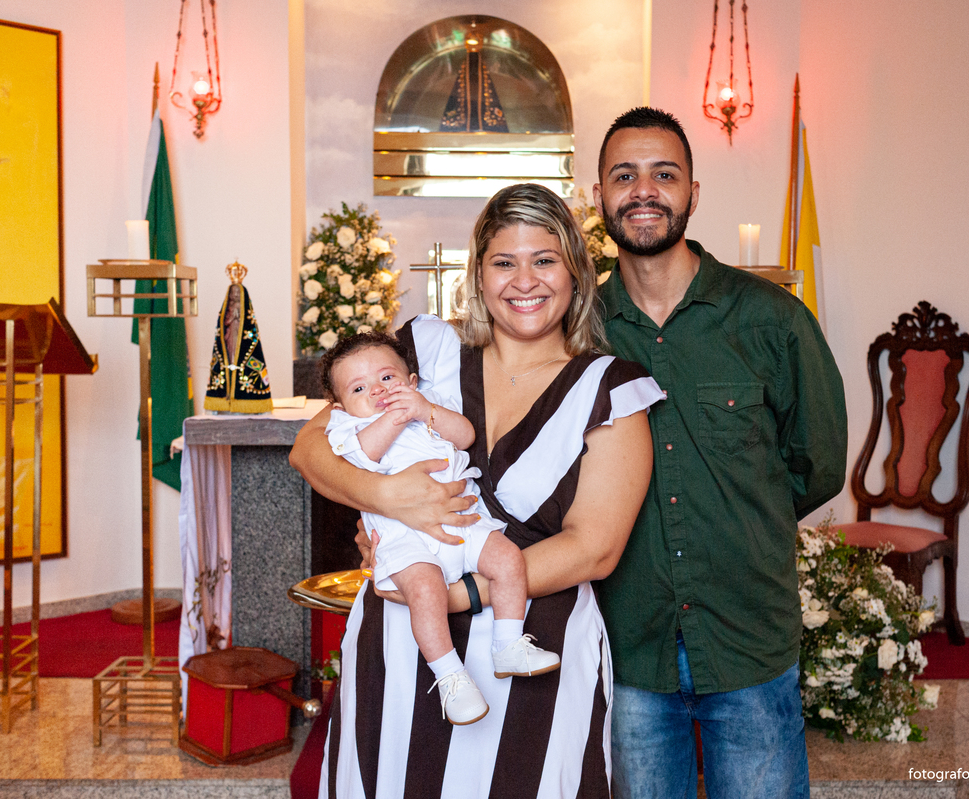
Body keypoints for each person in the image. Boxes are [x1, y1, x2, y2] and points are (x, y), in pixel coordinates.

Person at [289, 182, 665, 798]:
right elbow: (311, 447)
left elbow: (594, 547)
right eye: (503, 262)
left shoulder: (611, 387)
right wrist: (385, 499)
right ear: (479, 274)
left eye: (544, 260)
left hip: (532, 643)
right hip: (401, 638)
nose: (525, 281)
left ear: (575, 272)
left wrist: (459, 593)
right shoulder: (425, 353)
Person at [591, 107, 848, 799]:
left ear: (693, 193)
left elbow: (817, 463)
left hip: (746, 635)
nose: (644, 189)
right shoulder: (578, 329)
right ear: (599, 198)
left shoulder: (772, 318)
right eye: (624, 174)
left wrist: (739, 517)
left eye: (664, 173)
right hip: (628, 640)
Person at [318, 330, 561, 726]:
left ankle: (509, 643)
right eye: (360, 388)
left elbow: (464, 435)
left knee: (508, 559)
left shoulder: (427, 408)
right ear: (341, 405)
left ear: (412, 382)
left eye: (387, 379)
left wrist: (421, 409)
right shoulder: (347, 430)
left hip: (463, 521)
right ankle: (450, 677)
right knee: (427, 591)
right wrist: (395, 417)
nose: (378, 392)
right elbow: (364, 457)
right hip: (405, 539)